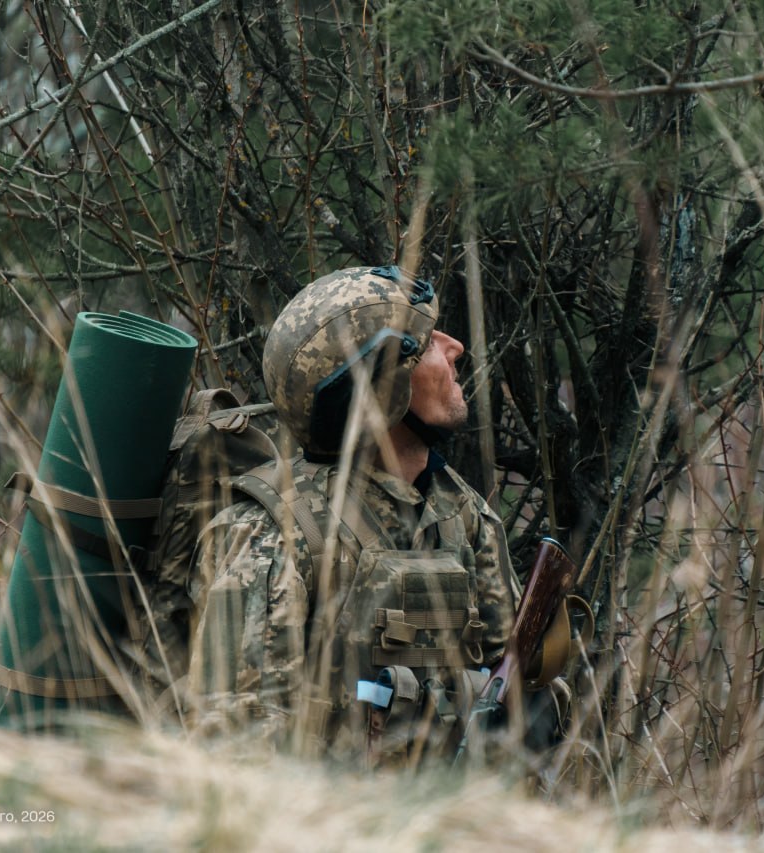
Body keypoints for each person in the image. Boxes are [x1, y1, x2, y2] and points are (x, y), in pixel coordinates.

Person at [184, 265, 523, 763]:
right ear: (382, 390)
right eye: (426, 343)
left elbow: (507, 683)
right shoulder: (273, 534)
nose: (454, 349)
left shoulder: (463, 514)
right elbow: (237, 758)